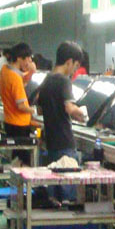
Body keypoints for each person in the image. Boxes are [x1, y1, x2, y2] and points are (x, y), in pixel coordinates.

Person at [36, 41, 87, 202]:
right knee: (68, 197)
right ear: (69, 62)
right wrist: (84, 114)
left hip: (51, 145)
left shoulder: (46, 80)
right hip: (65, 144)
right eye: (75, 66)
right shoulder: (64, 81)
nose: (74, 70)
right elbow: (69, 108)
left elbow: (39, 110)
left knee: (54, 196)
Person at [0, 43, 35, 163]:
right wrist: (34, 110)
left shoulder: (5, 70)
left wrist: (30, 72)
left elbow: (20, 82)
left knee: (16, 157)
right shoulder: (14, 77)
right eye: (28, 58)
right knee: (23, 161)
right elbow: (21, 106)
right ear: (19, 58)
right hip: (19, 125)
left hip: (9, 122)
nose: (30, 61)